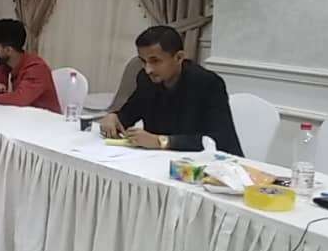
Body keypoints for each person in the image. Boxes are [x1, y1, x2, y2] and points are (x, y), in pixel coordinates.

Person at [100, 26, 243, 155]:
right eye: (143, 61)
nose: (148, 69)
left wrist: (161, 141)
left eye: (155, 61)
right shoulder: (146, 79)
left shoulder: (208, 83)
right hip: (160, 161)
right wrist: (114, 118)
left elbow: (220, 140)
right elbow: (130, 113)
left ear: (179, 57)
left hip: (213, 166)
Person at [0, 19, 61, 113]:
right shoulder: (4, 67)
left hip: (43, 120)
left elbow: (19, 99)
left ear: (8, 50)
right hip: (16, 118)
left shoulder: (37, 68)